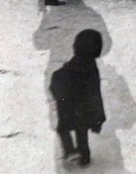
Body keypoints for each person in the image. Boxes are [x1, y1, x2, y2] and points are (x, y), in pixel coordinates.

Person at [50, 29, 106, 168]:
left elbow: (61, 79)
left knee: (63, 128)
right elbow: (95, 91)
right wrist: (97, 116)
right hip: (85, 107)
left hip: (69, 104)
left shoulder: (74, 65)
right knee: (82, 129)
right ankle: (84, 155)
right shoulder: (92, 66)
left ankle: (70, 151)